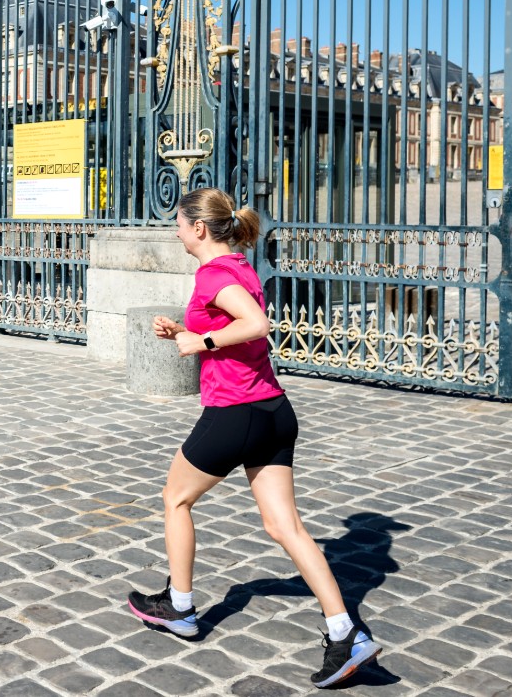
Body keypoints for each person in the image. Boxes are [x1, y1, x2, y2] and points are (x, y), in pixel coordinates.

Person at [126, 187, 382, 689]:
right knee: (286, 526)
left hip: (236, 413)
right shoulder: (239, 266)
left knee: (175, 499)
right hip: (272, 411)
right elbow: (234, 325)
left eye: (178, 223)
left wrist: (197, 340)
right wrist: (183, 330)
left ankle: (179, 608)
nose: (175, 231)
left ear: (199, 229)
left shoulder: (214, 272)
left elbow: (257, 324)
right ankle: (345, 633)